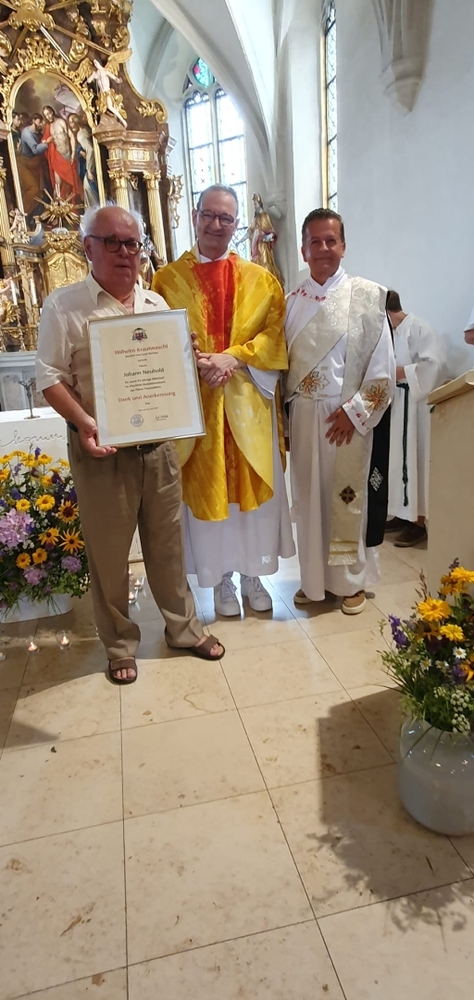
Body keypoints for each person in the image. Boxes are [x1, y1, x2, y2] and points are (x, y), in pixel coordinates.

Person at [35, 205, 224, 684]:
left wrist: (185, 355)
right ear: (88, 247)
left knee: (168, 547)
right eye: (112, 242)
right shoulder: (64, 306)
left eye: (133, 243)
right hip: (101, 451)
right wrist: (84, 423)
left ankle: (183, 629)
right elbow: (49, 377)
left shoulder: (157, 306)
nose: (125, 252)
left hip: (158, 448)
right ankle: (119, 644)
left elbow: (172, 374)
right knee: (109, 554)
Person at [152, 183, 295, 616]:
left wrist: (232, 358)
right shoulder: (165, 281)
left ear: (237, 225)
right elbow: (157, 342)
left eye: (226, 218)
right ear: (195, 216)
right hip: (198, 409)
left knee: (250, 500)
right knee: (209, 497)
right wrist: (198, 363)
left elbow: (274, 336)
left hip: (247, 405)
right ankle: (221, 582)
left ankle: (253, 575)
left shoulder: (261, 280)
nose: (216, 224)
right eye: (209, 214)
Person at [285, 208, 395, 614]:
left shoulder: (367, 298)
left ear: (344, 246)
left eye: (331, 240)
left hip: (346, 418)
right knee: (309, 501)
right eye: (314, 241)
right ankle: (314, 582)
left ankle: (350, 582)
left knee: (346, 499)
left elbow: (382, 368)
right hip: (303, 416)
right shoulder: (290, 304)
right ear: (304, 249)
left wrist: (356, 413)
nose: (323, 248)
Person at [385, 290, 446, 547]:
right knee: (397, 462)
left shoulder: (420, 328)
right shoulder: (391, 333)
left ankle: (419, 522)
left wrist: (403, 372)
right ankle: (402, 514)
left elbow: (436, 366)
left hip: (416, 407)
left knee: (416, 461)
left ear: (387, 312)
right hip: (397, 403)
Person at [42, 105, 82, 202]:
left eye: (49, 113)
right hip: (57, 158)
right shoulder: (48, 127)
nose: (48, 116)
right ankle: (56, 207)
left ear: (52, 112)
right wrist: (47, 140)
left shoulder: (61, 122)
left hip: (67, 156)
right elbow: (44, 141)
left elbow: (71, 136)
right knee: (57, 185)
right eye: (46, 115)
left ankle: (68, 206)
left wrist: (73, 153)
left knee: (69, 185)